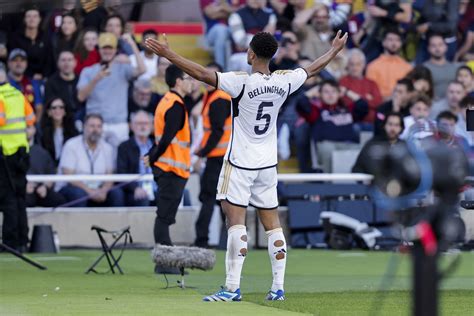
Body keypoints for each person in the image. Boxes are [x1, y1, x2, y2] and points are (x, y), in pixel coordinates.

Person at [145, 28, 347, 300]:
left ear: (250, 53)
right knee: (273, 225)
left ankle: (231, 288)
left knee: (235, 222)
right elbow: (311, 69)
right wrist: (334, 51)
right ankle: (277, 288)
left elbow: (202, 74)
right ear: (273, 55)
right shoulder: (284, 81)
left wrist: (169, 54)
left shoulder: (240, 82)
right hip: (267, 164)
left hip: (239, 162)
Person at [142, 65, 192, 274]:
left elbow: (161, 138)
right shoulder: (176, 105)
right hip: (171, 170)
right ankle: (165, 263)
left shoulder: (167, 102)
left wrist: (151, 155)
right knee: (163, 217)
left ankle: (167, 261)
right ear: (178, 82)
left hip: (168, 169)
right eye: (188, 78)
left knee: (164, 216)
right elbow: (167, 138)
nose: (192, 82)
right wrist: (153, 157)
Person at [77, 32, 146, 148]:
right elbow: (80, 97)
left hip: (119, 124)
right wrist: (96, 78)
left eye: (110, 48)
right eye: (104, 48)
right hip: (95, 124)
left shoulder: (123, 68)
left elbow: (142, 70)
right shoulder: (88, 71)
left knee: (119, 162)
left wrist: (132, 44)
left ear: (116, 50)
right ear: (99, 49)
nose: (107, 51)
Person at [193, 62, 232, 248]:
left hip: (218, 157)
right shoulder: (214, 97)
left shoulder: (218, 99)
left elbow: (216, 132)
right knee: (221, 200)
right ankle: (230, 240)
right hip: (221, 157)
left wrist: (202, 152)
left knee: (209, 198)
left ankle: (202, 240)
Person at [0, 62, 36, 252]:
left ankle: (9, 242)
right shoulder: (17, 93)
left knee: (8, 200)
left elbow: (1, 120)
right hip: (21, 152)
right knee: (20, 198)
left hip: (5, 153)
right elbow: (31, 121)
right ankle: (23, 239)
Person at [297, 79, 367, 173]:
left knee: (362, 151)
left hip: (348, 145)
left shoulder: (347, 109)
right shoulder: (316, 111)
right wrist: (314, 90)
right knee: (327, 149)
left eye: (334, 91)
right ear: (319, 94)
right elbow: (301, 103)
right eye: (326, 92)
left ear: (339, 93)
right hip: (326, 146)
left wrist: (346, 91)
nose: (330, 95)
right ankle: (329, 183)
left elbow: (363, 105)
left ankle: (354, 184)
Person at [58, 113, 124, 207]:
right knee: (79, 194)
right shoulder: (71, 145)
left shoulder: (107, 148)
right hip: (75, 187)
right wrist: (90, 191)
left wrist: (103, 191)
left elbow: (110, 175)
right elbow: (68, 175)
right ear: (84, 127)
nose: (95, 130)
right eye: (92, 126)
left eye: (99, 126)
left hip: (99, 188)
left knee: (116, 193)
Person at [117, 110, 155, 207]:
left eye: (146, 123)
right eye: (139, 123)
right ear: (131, 126)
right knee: (143, 198)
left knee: (183, 194)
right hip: (135, 191)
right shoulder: (124, 147)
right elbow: (121, 173)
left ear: (151, 126)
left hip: (157, 188)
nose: (143, 126)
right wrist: (135, 189)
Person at [339, 48, 382, 127]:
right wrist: (366, 98)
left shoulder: (372, 83)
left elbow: (378, 102)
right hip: (351, 123)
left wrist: (354, 97)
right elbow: (346, 103)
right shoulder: (342, 82)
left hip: (370, 123)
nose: (355, 68)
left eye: (358, 64)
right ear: (347, 65)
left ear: (363, 65)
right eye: (352, 64)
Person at [26, 125, 66, 207]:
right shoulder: (9, 152)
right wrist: (22, 185)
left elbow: (51, 174)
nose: (25, 130)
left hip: (40, 189)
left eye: (28, 127)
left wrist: (45, 186)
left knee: (59, 200)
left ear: (34, 130)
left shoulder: (42, 152)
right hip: (19, 190)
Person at [366, 29, 412, 100]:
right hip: (379, 105)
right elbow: (370, 92)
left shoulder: (407, 67)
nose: (394, 43)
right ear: (383, 42)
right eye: (390, 40)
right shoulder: (373, 66)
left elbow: (410, 91)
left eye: (397, 40)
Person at [7, 7, 53, 79]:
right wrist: (31, 75)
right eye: (29, 16)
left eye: (35, 16)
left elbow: (49, 60)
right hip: (21, 76)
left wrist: (44, 75)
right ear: (24, 19)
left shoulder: (45, 37)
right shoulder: (16, 37)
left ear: (39, 19)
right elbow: (13, 60)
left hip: (43, 77)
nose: (32, 19)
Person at [40, 97, 79, 165]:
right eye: (54, 107)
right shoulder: (42, 132)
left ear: (65, 111)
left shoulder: (73, 131)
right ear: (49, 112)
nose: (58, 110)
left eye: (61, 107)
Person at [44, 50, 82, 119]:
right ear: (58, 63)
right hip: (62, 118)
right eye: (63, 60)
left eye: (69, 60)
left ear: (75, 63)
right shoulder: (51, 83)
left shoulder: (81, 80)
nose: (66, 63)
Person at [423, 33, 460, 101]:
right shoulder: (423, 69)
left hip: (454, 106)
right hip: (432, 107)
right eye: (433, 45)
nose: (437, 48)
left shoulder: (455, 67)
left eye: (440, 45)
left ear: (446, 47)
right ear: (428, 48)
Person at [7, 49, 43, 114]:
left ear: (26, 64)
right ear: (8, 63)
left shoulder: (33, 83)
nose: (19, 63)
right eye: (15, 60)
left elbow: (39, 107)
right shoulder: (3, 83)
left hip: (30, 123)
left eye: (22, 60)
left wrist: (36, 124)